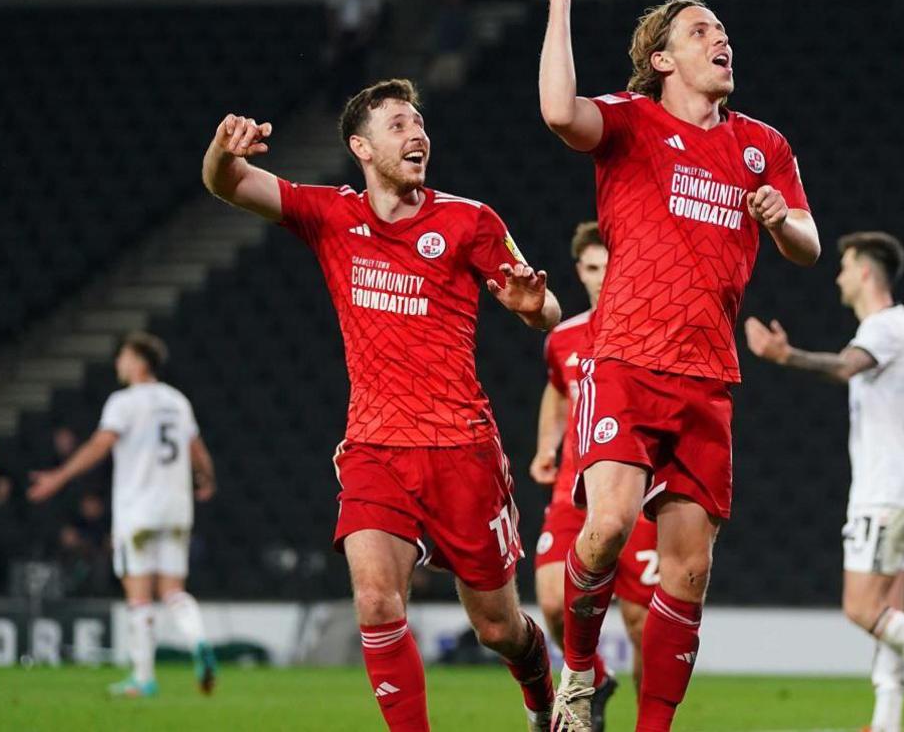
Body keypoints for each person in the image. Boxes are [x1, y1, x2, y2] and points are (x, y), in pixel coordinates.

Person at [200, 77, 561, 732]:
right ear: (361, 147)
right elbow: (227, 184)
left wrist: (537, 310)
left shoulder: (470, 220)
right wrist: (225, 151)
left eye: (418, 123)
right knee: (373, 598)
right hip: (375, 447)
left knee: (498, 626)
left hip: (462, 450)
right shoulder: (331, 215)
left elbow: (545, 303)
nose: (417, 133)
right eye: (398, 124)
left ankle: (545, 698)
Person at [534, 0, 822, 730]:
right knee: (609, 526)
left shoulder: (763, 145)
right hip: (626, 358)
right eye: (702, 31)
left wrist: (779, 220)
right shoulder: (631, 123)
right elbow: (561, 113)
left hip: (707, 375)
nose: (721, 39)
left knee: (690, 569)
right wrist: (560, 2)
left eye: (723, 30)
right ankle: (580, 672)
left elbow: (809, 244)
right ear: (662, 59)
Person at [744, 232, 904, 732]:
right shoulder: (900, 329)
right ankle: (886, 722)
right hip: (902, 486)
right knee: (891, 613)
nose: (837, 276)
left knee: (861, 608)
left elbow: (844, 366)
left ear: (863, 272)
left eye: (843, 266)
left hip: (885, 490)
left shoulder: (886, 328)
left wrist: (785, 355)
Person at [28, 332, 219, 699]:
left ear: (140, 361)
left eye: (124, 356)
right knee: (174, 590)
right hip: (177, 508)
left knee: (139, 595)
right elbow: (198, 449)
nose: (119, 363)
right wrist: (207, 479)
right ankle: (199, 643)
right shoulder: (177, 401)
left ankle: (143, 679)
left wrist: (59, 476)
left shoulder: (124, 402)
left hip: (139, 509)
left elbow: (100, 444)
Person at [529, 222, 658, 731]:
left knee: (642, 623)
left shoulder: (653, 329)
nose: (602, 277)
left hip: (636, 490)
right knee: (552, 603)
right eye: (591, 267)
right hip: (574, 489)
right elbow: (559, 389)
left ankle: (650, 722)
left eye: (610, 265)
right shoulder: (563, 337)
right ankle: (597, 680)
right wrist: (547, 444)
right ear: (579, 271)